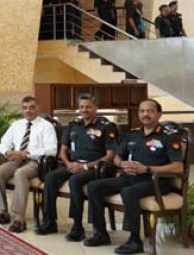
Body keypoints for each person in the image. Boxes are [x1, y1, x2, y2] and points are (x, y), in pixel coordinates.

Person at [84, 99, 184, 254]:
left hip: (156, 181)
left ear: (159, 114)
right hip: (130, 177)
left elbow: (178, 166)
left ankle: (135, 240)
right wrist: (122, 163)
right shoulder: (133, 134)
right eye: (142, 111)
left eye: (150, 111)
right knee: (94, 187)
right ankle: (100, 233)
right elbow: (117, 156)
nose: (145, 114)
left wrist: (147, 169)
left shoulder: (168, 137)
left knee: (128, 192)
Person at [37, 94, 117, 239]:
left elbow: (110, 155)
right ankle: (49, 221)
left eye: (88, 107)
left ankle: (77, 226)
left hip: (96, 168)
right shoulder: (73, 125)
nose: (84, 109)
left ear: (95, 108)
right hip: (73, 164)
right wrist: (68, 164)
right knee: (50, 177)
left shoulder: (105, 126)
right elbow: (62, 151)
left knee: (75, 180)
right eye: (81, 107)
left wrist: (85, 166)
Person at [0, 96, 58, 233]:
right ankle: (3, 212)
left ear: (38, 108)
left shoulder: (46, 126)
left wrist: (27, 154)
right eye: (25, 108)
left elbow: (52, 150)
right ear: (22, 109)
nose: (28, 110)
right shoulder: (16, 125)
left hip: (35, 162)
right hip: (15, 159)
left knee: (20, 173)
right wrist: (8, 152)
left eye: (32, 107)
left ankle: (19, 219)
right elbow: (4, 143)